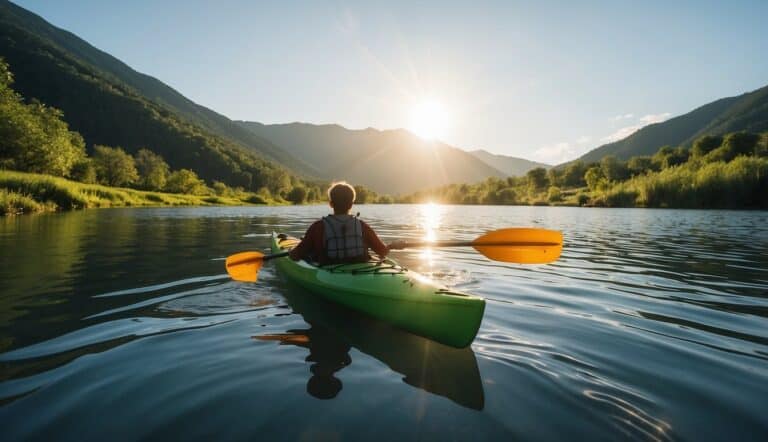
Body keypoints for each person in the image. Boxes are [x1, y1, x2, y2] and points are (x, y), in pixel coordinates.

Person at [289, 181, 404, 265]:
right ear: (351, 204)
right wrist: (392, 245)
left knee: (309, 255)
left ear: (331, 204)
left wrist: (290, 252)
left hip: (329, 271)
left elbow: (295, 256)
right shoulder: (362, 226)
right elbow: (382, 251)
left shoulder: (318, 227)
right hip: (360, 270)